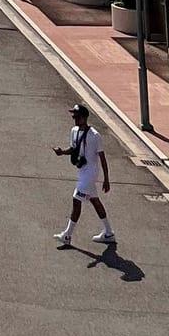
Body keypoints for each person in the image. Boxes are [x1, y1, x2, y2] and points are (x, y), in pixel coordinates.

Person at [54, 101, 115, 248]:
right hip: (82, 172)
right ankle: (108, 232)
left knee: (76, 200)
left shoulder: (95, 136)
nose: (74, 119)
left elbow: (102, 158)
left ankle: (67, 235)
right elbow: (74, 148)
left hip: (90, 174)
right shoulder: (74, 131)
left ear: (84, 118)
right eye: (73, 116)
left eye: (77, 116)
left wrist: (106, 179)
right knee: (95, 201)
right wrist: (62, 152)